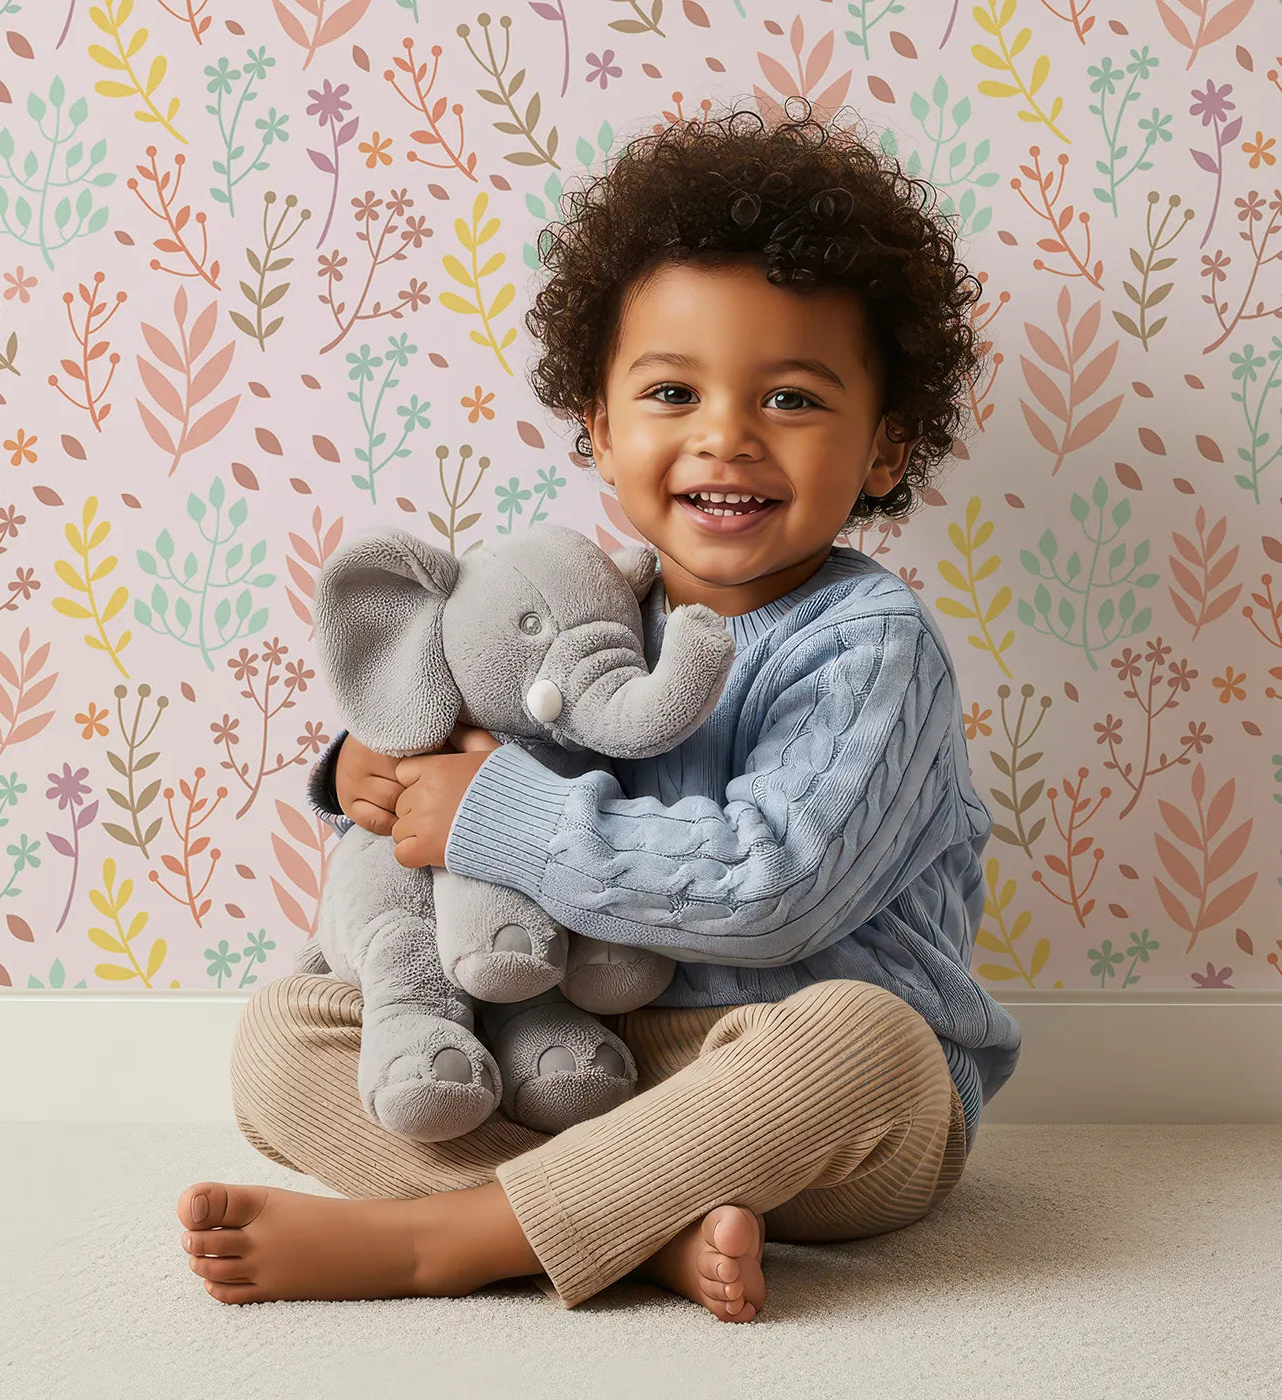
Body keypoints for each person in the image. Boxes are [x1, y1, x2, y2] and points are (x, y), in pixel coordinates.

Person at [175, 96, 1022, 1322]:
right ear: (598, 427)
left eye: (788, 398)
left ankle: (446, 1235)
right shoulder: (570, 611)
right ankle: (631, 1230)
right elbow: (452, 781)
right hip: (579, 1055)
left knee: (865, 1041)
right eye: (672, 392)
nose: (724, 436)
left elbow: (768, 885)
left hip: (776, 1082)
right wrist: (377, 765)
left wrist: (495, 817)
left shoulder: (867, 644)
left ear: (885, 447)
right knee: (283, 1032)